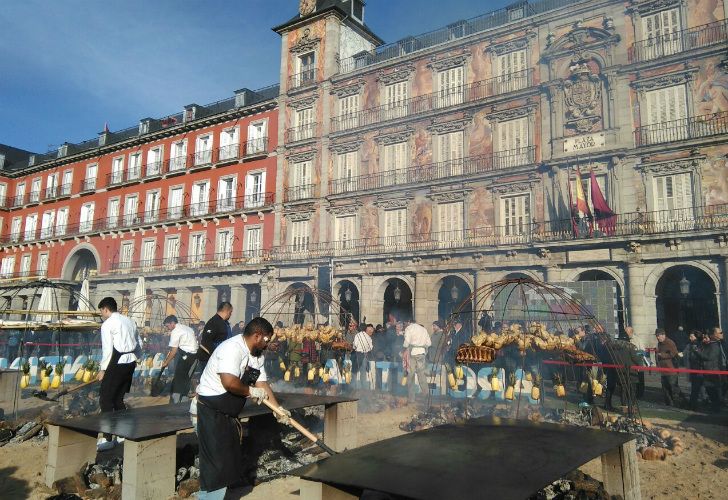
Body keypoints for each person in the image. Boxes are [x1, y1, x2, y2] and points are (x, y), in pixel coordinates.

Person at [195, 317, 291, 499]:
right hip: (210, 411)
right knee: (216, 466)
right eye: (267, 339)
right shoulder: (231, 349)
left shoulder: (257, 355)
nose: (268, 343)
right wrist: (251, 391)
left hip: (228, 414)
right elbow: (229, 383)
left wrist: (278, 411)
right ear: (257, 336)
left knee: (228, 462)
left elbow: (262, 383)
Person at [97, 297, 142, 451]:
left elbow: (108, 350)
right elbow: (139, 341)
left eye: (101, 311)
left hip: (116, 363)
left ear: (105, 309)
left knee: (105, 400)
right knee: (118, 399)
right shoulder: (129, 321)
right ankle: (123, 434)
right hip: (130, 363)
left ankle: (108, 438)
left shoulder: (108, 324)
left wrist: (103, 369)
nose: (102, 314)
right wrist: (138, 357)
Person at [161, 315, 199, 403]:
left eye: (167, 326)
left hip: (187, 356)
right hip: (195, 357)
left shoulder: (175, 331)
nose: (167, 328)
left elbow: (173, 350)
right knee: (186, 379)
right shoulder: (187, 328)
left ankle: (175, 402)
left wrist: (166, 362)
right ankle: (184, 401)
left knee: (179, 379)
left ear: (172, 323)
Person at [198, 302, 233, 370]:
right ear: (227, 311)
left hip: (221, 358)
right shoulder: (213, 322)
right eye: (230, 312)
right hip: (209, 359)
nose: (230, 315)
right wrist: (217, 356)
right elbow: (206, 341)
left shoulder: (224, 323)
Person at [698, 327, 726, 413]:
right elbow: (707, 356)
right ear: (714, 335)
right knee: (713, 390)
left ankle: (718, 405)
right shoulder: (711, 344)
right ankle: (716, 406)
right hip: (715, 370)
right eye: (720, 333)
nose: (722, 334)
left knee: (718, 389)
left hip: (720, 369)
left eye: (722, 332)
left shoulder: (721, 343)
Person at [403, 321, 431, 402]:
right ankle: (426, 394)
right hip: (422, 353)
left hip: (412, 353)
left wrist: (405, 347)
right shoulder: (424, 329)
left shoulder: (409, 328)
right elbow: (429, 343)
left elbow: (406, 342)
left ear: (409, 323)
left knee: (410, 375)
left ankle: (411, 398)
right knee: (421, 375)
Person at [655, 328, 683, 406]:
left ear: (663, 335)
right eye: (657, 336)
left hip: (671, 369)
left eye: (658, 336)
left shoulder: (670, 343)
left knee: (674, 387)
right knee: (665, 388)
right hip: (663, 369)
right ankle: (669, 403)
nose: (657, 337)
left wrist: (662, 355)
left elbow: (674, 354)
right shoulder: (659, 344)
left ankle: (680, 403)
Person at [683, 330, 704, 411]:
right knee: (696, 388)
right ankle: (693, 404)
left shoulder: (697, 345)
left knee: (696, 389)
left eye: (692, 336)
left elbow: (699, 357)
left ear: (696, 337)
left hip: (698, 369)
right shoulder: (691, 345)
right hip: (694, 369)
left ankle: (693, 405)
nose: (690, 338)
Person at [352, 324, 374, 389]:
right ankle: (364, 389)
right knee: (363, 373)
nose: (371, 333)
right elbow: (370, 348)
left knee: (354, 372)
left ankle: (353, 388)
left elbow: (355, 345)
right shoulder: (368, 338)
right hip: (364, 355)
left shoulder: (357, 335)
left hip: (357, 355)